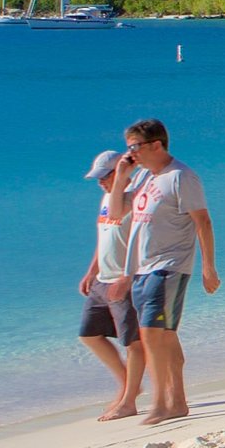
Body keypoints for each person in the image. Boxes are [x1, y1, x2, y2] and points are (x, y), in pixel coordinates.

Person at [108, 118, 219, 425]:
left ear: (156, 145)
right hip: (143, 270)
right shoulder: (144, 177)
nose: (131, 154)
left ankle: (159, 404)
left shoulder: (182, 177)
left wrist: (208, 267)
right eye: (128, 147)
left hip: (169, 267)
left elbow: (203, 222)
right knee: (165, 336)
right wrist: (120, 177)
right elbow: (116, 213)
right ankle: (178, 402)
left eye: (135, 147)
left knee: (151, 334)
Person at [76, 147, 146, 421]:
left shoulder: (135, 196)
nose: (100, 181)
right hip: (102, 280)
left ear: (121, 171)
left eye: (105, 175)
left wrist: (127, 278)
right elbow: (103, 236)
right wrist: (90, 272)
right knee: (89, 334)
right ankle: (129, 384)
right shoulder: (106, 197)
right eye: (98, 177)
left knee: (133, 342)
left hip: (124, 280)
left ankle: (128, 399)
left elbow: (136, 234)